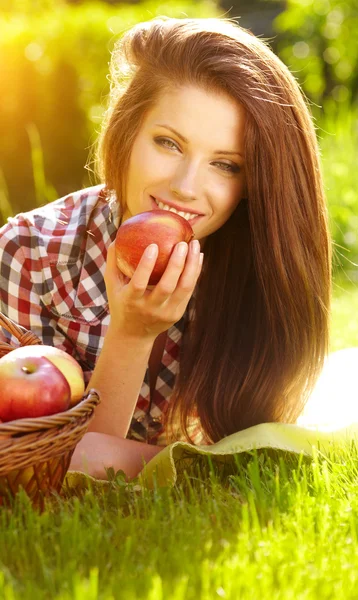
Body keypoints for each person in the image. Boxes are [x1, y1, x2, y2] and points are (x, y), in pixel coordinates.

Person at [0, 17, 332, 479]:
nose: (185, 187)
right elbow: (38, 469)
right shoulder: (29, 252)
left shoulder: (261, 265)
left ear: (254, 182)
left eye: (225, 165)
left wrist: (130, 459)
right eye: (169, 143)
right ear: (128, 131)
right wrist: (131, 334)